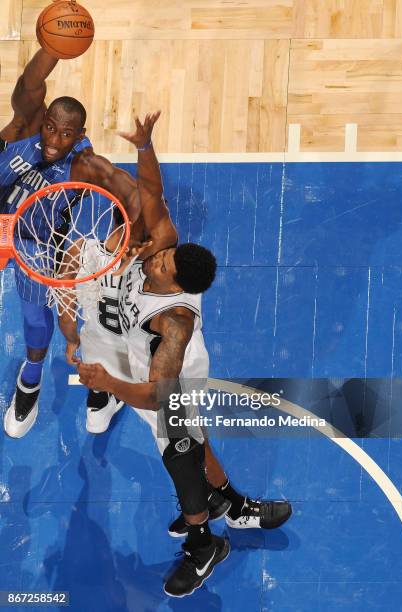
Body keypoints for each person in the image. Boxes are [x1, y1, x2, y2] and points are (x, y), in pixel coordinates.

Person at [74, 122, 292, 596]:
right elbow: (152, 192)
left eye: (163, 266)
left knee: (180, 451)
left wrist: (107, 383)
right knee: (193, 441)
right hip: (139, 361)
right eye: (160, 257)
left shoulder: (173, 323)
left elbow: (157, 395)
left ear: (177, 286)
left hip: (174, 381)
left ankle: (203, 545)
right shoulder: (158, 243)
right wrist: (144, 145)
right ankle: (231, 504)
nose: (156, 260)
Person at [0, 47, 146, 438]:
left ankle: (31, 378)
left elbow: (131, 194)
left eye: (67, 134)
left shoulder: (82, 163)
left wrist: (127, 233)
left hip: (34, 243)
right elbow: (30, 85)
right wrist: (50, 50)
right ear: (42, 121)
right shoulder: (23, 128)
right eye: (51, 128)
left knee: (37, 318)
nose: (54, 139)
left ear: (79, 136)